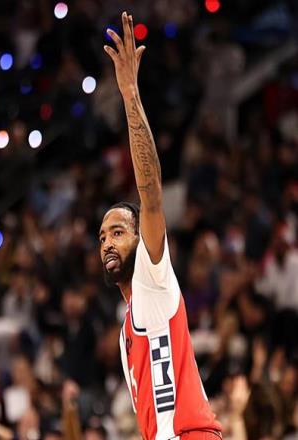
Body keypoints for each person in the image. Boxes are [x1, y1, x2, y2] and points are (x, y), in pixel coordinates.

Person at [100, 12, 222, 440]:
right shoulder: (126, 331)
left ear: (140, 239)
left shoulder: (153, 277)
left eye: (118, 232)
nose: (107, 243)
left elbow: (150, 193)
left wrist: (130, 94)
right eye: (102, 236)